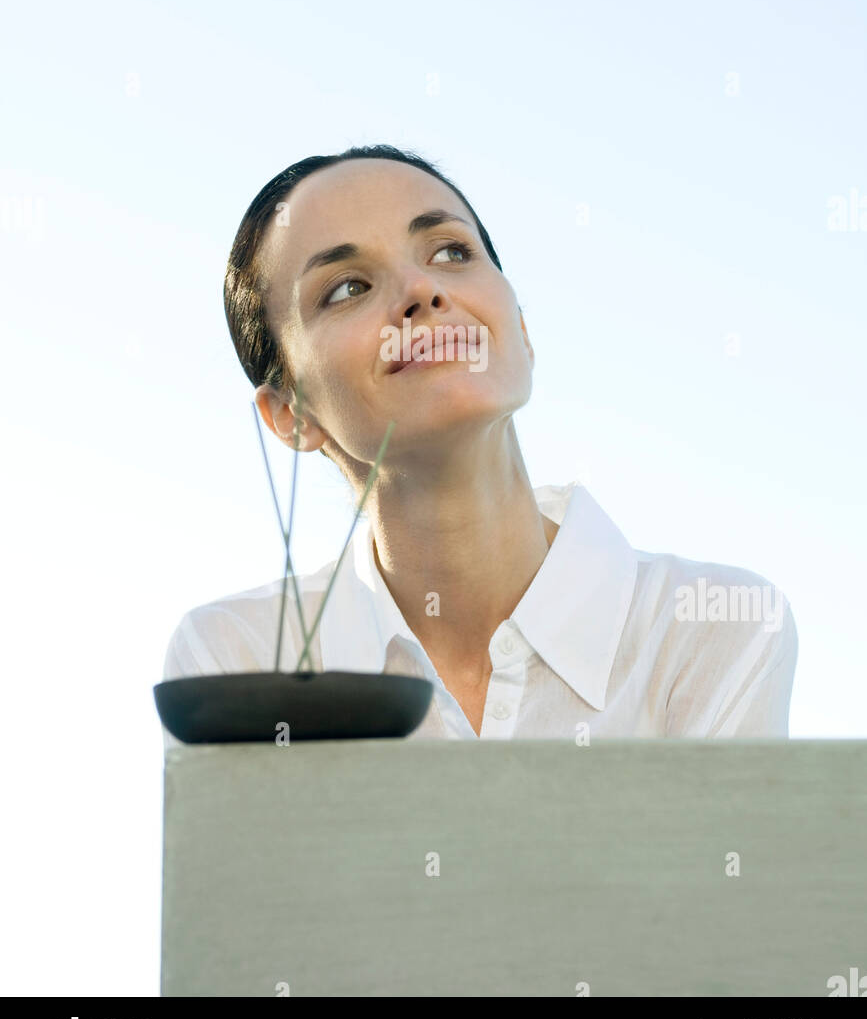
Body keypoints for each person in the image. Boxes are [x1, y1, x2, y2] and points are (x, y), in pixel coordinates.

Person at [161, 143, 797, 749]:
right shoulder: (232, 659)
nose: (421, 291)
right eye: (348, 288)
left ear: (519, 329)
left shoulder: (714, 629)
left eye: (450, 252)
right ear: (290, 415)